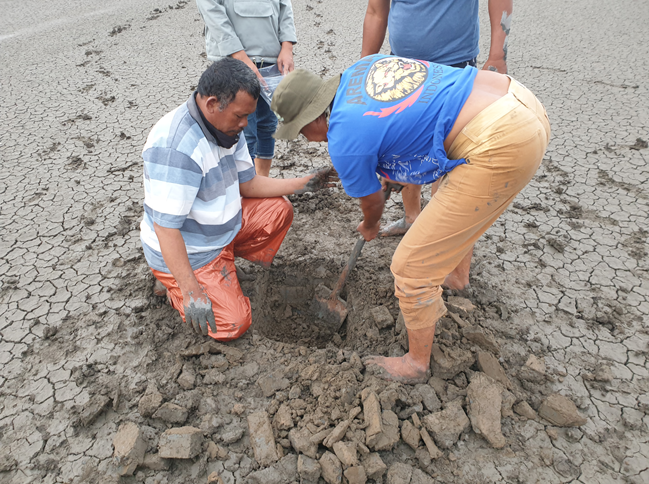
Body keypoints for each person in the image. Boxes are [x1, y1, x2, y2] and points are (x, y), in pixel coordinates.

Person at [271, 55, 550, 383]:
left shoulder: (344, 138)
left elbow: (371, 202)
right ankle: (457, 278)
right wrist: (395, 171)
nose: (306, 139)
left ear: (313, 116)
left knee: (410, 267)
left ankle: (416, 364)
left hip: (500, 139)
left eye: (301, 130)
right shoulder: (362, 69)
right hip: (518, 100)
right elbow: (412, 119)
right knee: (450, 201)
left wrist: (371, 225)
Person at [140, 58, 336, 341]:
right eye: (239, 117)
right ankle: (172, 285)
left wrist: (304, 184)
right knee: (233, 323)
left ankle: (224, 266)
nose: (246, 125)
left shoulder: (227, 129)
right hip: (192, 250)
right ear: (211, 104)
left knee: (278, 211)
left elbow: (249, 183)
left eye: (248, 116)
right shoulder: (177, 150)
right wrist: (192, 291)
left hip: (220, 231)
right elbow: (166, 228)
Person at [361, 0, 513, 236]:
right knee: (405, 147)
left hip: (454, 67)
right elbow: (375, 11)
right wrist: (363, 69)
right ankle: (411, 218)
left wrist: (497, 54)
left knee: (448, 150)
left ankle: (438, 232)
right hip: (403, 68)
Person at [195, 0, 297, 176]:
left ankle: (261, 181)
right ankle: (242, 186)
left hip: (271, 57)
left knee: (268, 124)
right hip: (232, 58)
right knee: (242, 128)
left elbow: (284, 5)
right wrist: (238, 54)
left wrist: (287, 45)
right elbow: (211, 9)